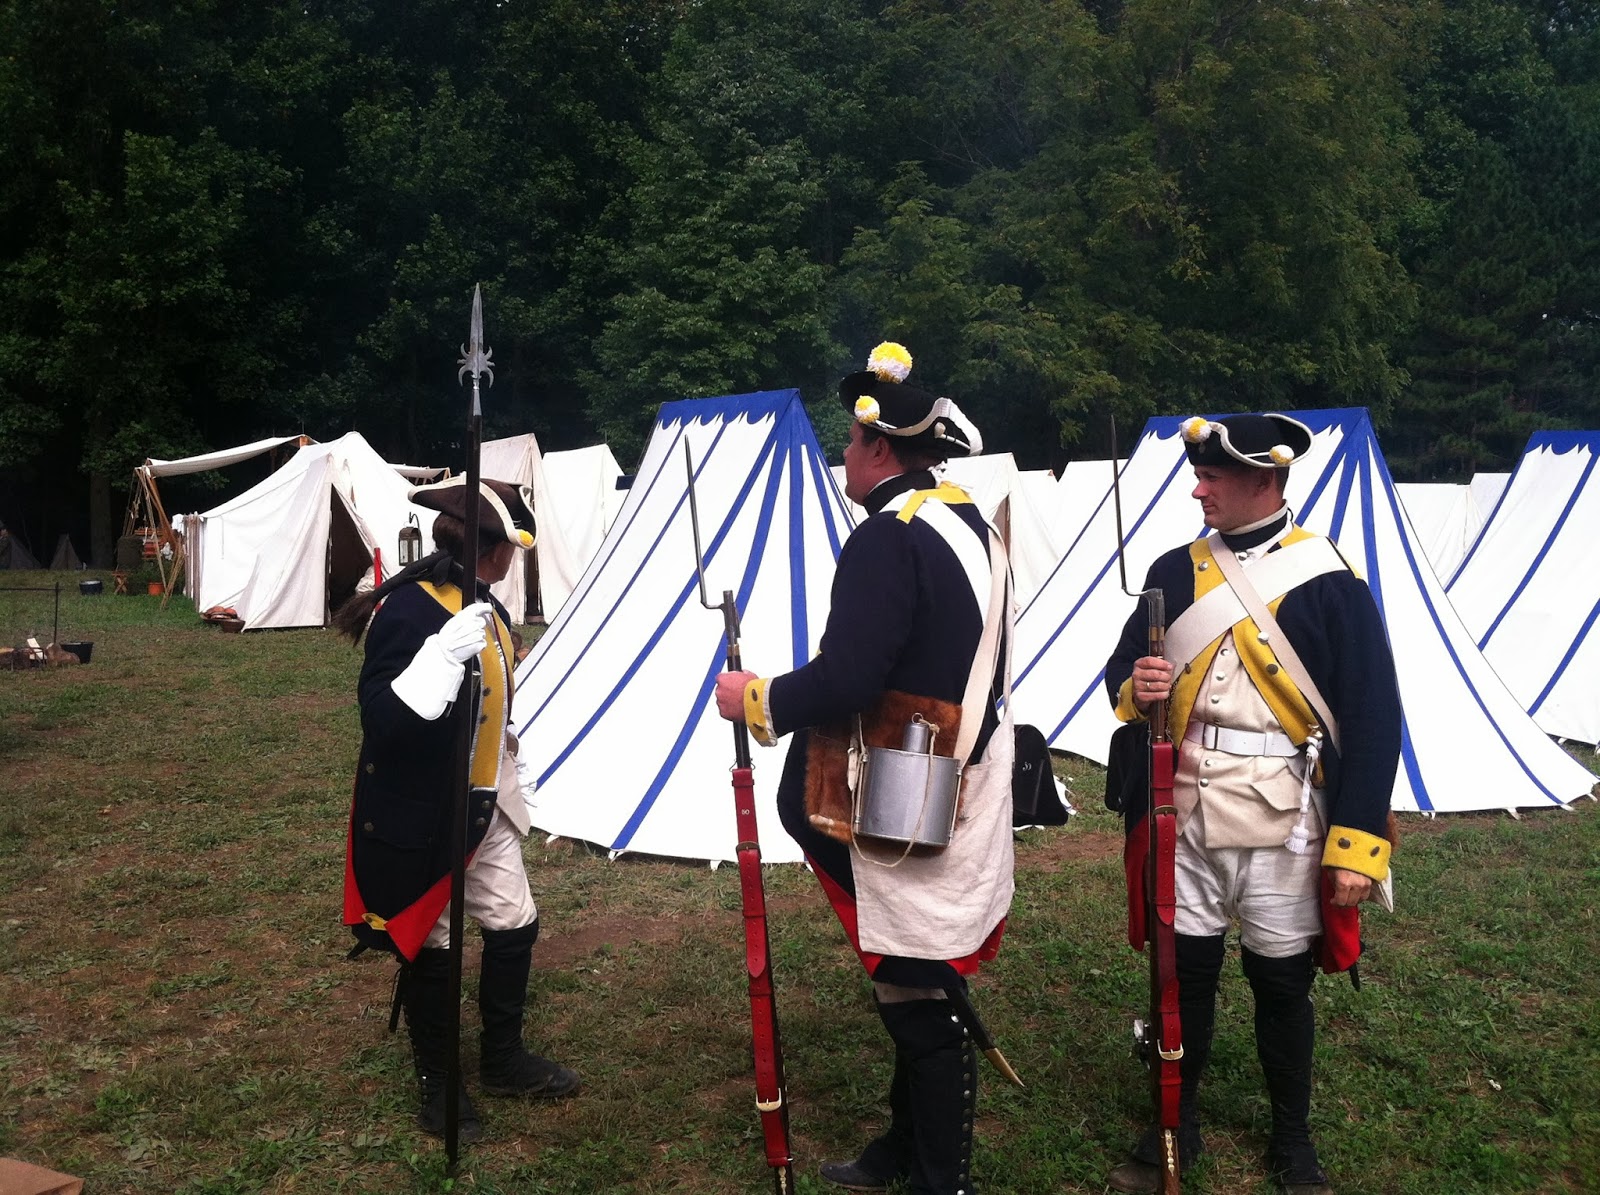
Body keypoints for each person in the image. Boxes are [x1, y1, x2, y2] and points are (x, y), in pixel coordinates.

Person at [714, 342, 1014, 1195]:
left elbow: (848, 678)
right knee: (909, 965)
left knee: (913, 986)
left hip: (904, 787)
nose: (843, 453)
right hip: (954, 772)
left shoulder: (891, 535)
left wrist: (757, 697)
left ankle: (941, 1180)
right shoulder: (969, 521)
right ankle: (903, 1146)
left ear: (880, 447)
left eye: (850, 440)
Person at [1102, 413, 1400, 1195]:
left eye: (1213, 477)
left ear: (1264, 479)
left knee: (1281, 985)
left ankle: (1292, 1139)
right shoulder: (1174, 568)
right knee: (1185, 976)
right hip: (1185, 809)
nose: (1198, 490)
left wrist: (1357, 848)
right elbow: (1120, 674)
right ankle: (1179, 1119)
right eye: (1199, 476)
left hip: (1286, 816)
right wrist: (1140, 685)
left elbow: (1373, 715)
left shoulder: (1328, 577)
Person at [335, 477, 578, 1143]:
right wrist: (439, 658)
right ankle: (438, 1082)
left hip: (484, 801)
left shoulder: (485, 606)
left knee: (513, 921)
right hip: (424, 812)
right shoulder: (411, 612)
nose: (513, 560)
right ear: (492, 550)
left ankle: (502, 1060)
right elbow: (383, 722)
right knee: (434, 939)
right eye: (511, 550)